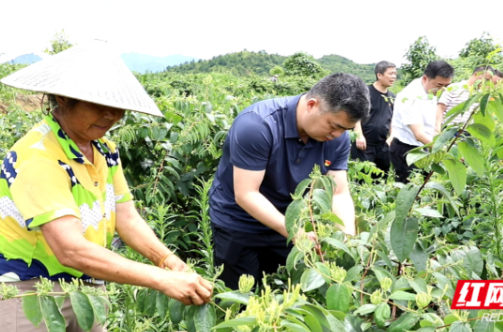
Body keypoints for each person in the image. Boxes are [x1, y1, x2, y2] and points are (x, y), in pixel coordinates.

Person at [0, 41, 212, 332]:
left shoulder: (104, 150)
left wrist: (167, 260)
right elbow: (70, 250)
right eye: (99, 104)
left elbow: (126, 217)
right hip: (31, 290)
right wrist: (161, 279)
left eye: (118, 106)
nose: (111, 115)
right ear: (62, 98)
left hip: (87, 284)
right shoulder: (38, 156)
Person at [209, 73, 370, 290]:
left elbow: (338, 192)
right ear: (312, 105)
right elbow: (247, 193)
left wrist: (348, 237)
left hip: (288, 223)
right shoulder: (257, 125)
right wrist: (296, 232)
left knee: (283, 294)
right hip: (239, 223)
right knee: (238, 299)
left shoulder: (337, 138)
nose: (338, 134)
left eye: (345, 129)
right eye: (334, 125)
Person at [390, 60, 454, 183]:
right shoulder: (409, 96)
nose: (443, 90)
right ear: (425, 79)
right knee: (409, 189)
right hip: (407, 150)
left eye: (446, 86)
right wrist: (444, 150)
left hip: (425, 146)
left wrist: (438, 135)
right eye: (440, 85)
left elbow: (433, 120)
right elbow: (418, 134)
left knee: (424, 185)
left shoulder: (430, 89)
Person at [351, 61, 396, 178]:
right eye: (390, 73)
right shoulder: (365, 92)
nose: (394, 77)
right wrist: (359, 135)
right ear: (379, 75)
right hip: (364, 144)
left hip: (383, 144)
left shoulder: (392, 97)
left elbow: (393, 120)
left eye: (395, 74)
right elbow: (356, 115)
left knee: (381, 177)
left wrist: (390, 139)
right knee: (362, 178)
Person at [435, 65, 494, 134]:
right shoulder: (454, 87)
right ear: (476, 74)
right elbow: (440, 109)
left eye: (488, 81)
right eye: (486, 79)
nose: (485, 83)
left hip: (469, 134)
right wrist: (437, 130)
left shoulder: (481, 95)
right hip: (450, 131)